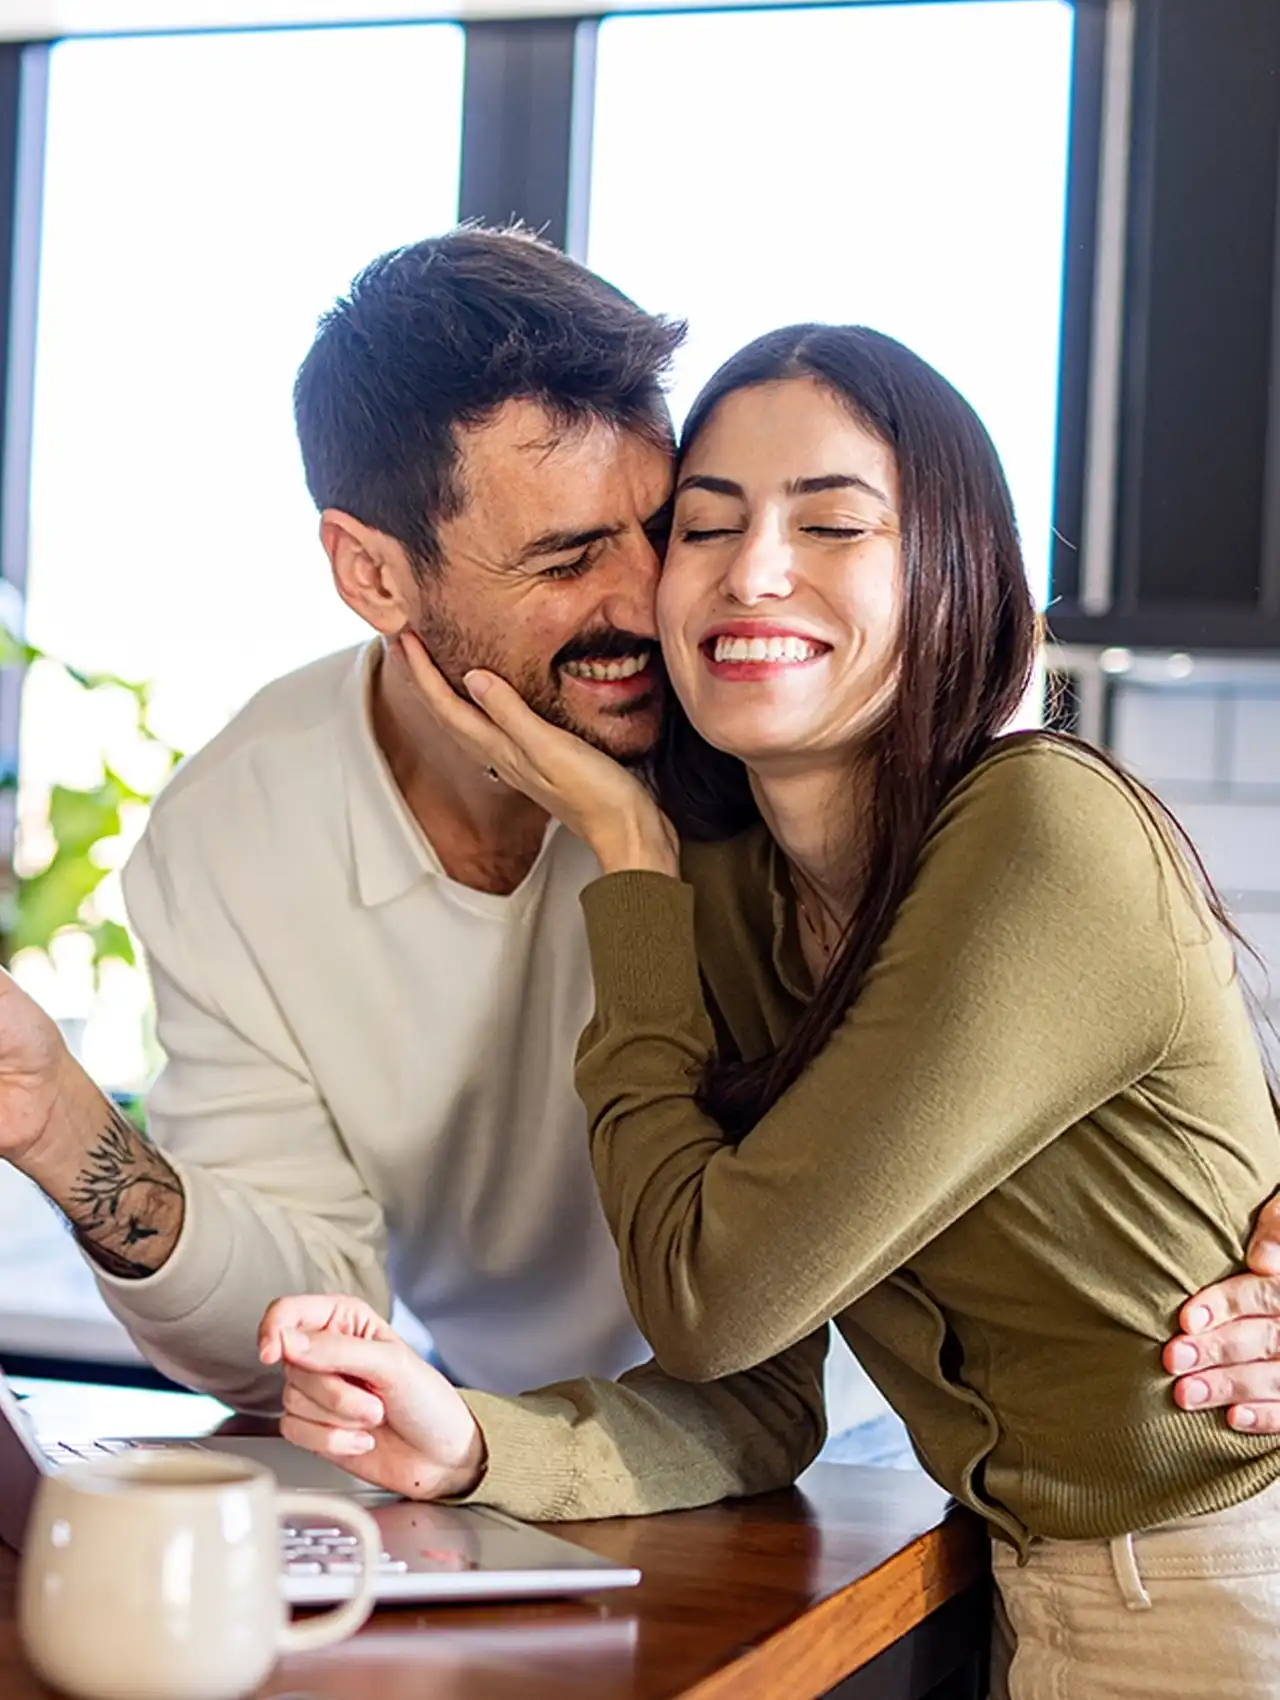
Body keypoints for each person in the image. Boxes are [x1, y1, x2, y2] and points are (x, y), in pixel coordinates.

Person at [0, 228, 1273, 1467]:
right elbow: (297, 1327)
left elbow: (1108, 1004)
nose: (651, 597)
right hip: (566, 1454)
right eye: (563, 556)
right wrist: (62, 1122)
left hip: (888, 1460)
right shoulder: (240, 831)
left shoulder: (754, 737)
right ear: (371, 574)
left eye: (661, 526)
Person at [265, 324, 1280, 1692]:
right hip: (1036, 1589)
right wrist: (468, 1441)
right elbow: (750, 1393)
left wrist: (630, 863)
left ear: (950, 570)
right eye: (707, 524)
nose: (753, 571)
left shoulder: (1043, 832)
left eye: (836, 523)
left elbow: (709, 1300)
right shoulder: (748, 893)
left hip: (1224, 1584)